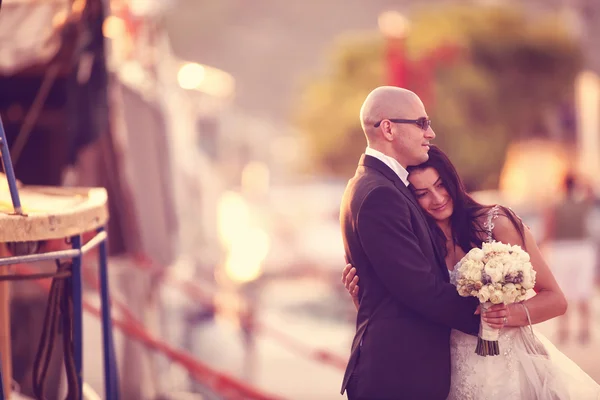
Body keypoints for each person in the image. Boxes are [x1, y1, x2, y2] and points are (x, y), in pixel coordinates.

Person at [342, 144, 600, 399]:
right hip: (450, 372)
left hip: (507, 368)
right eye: (422, 193)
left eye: (441, 185)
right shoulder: (416, 245)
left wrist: (504, 315)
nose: (438, 198)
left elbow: (556, 299)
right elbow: (416, 302)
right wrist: (364, 299)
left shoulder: (496, 223)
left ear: (453, 181)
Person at [338, 86, 509, 400]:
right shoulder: (379, 193)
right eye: (421, 123)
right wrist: (486, 312)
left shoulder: (382, 185)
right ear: (388, 128)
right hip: (399, 374)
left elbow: (390, 283)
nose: (430, 133)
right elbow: (418, 289)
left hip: (404, 369)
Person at [543, 173, 596, 344]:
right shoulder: (583, 203)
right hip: (581, 249)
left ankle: (563, 331)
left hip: (562, 249)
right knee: (582, 290)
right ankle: (584, 330)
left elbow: (549, 228)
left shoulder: (555, 205)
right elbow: (593, 192)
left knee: (563, 290)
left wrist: (543, 247)